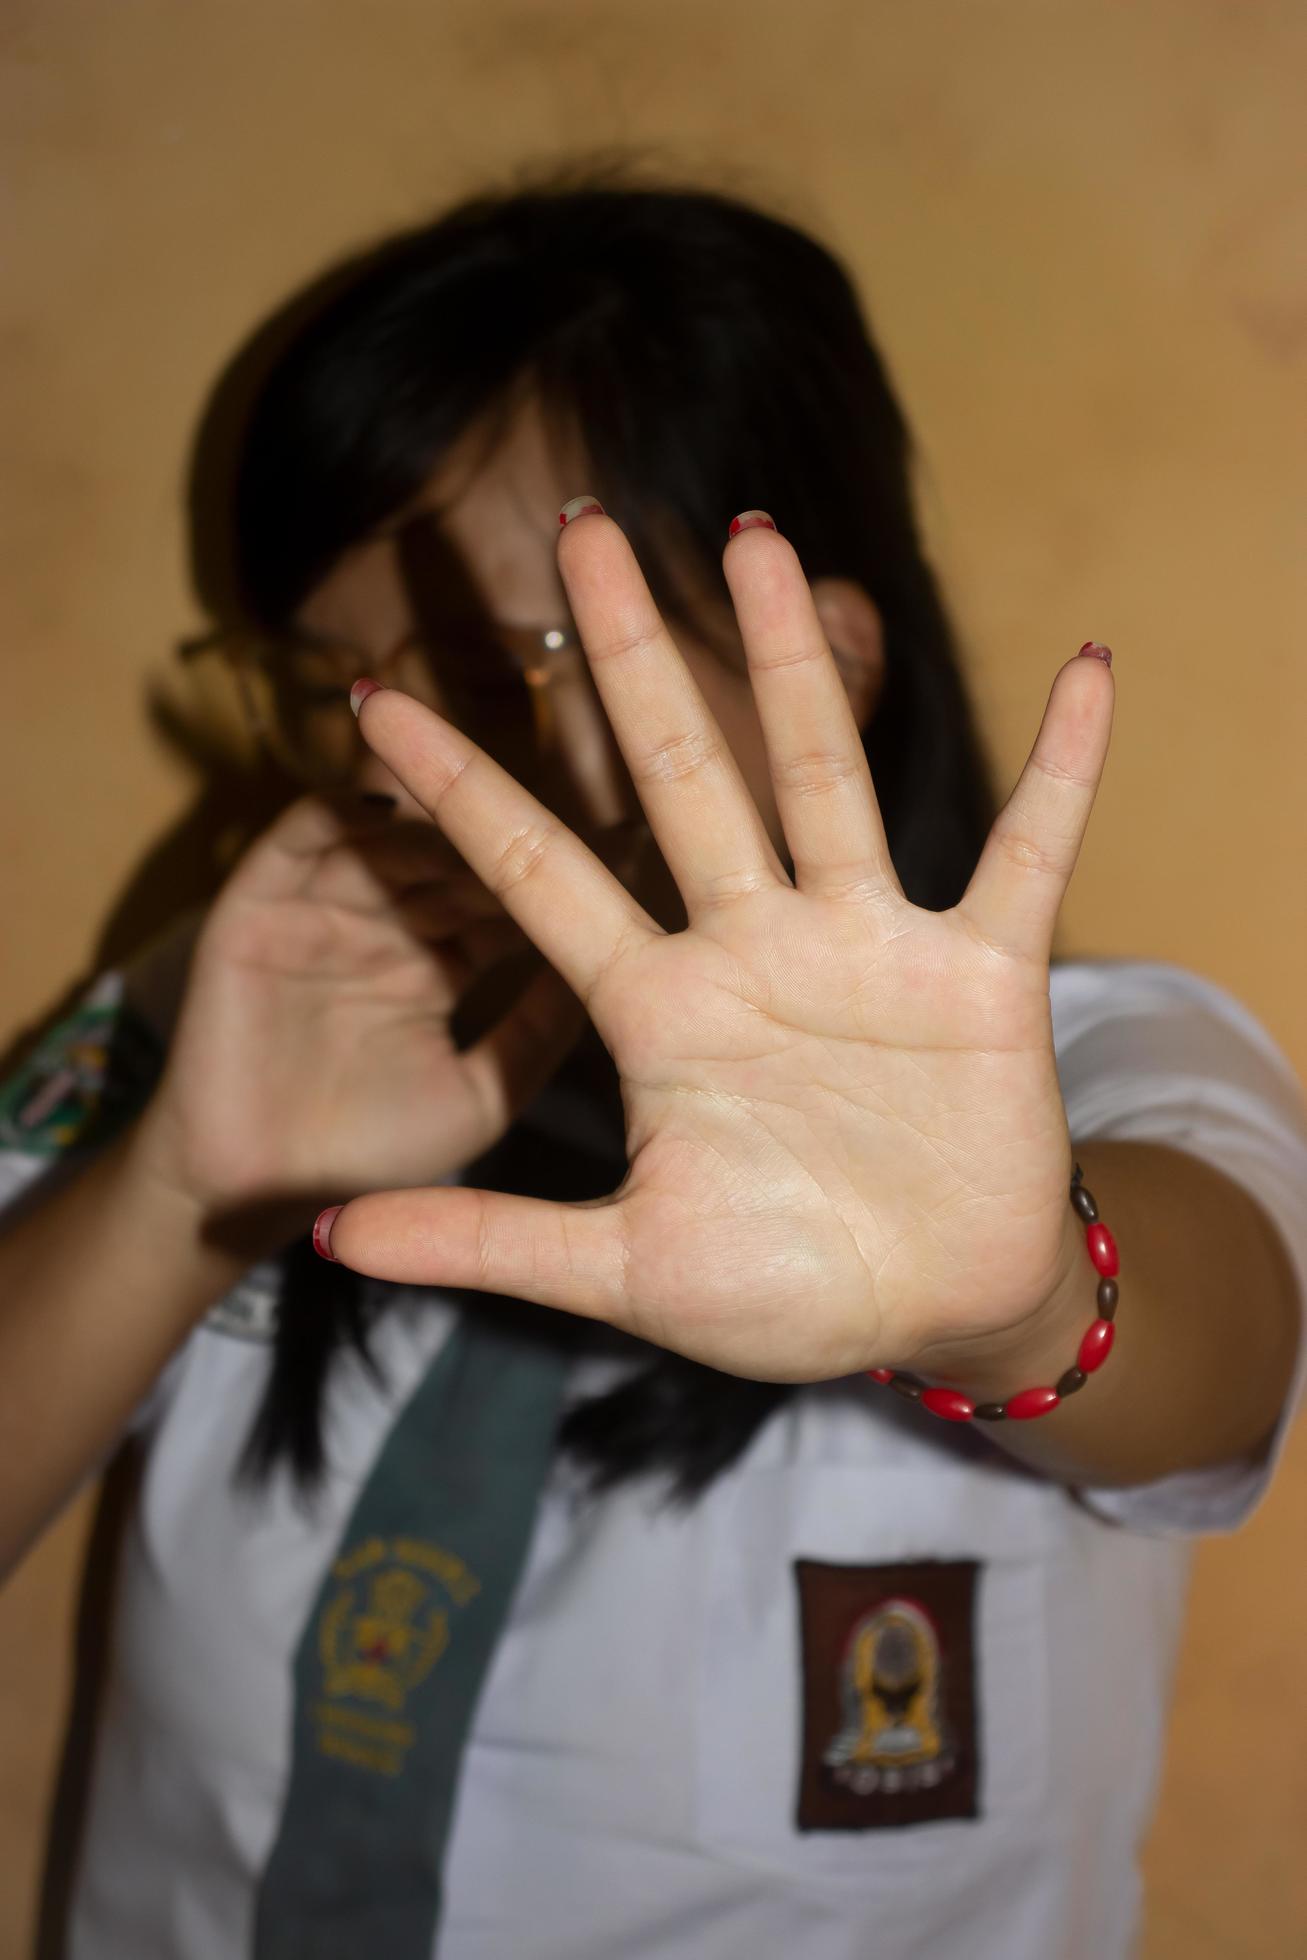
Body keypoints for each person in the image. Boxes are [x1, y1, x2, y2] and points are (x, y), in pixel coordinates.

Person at [2, 159, 1305, 1960]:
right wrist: (173, 1191)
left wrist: (1016, 1310)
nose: (392, 770)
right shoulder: (247, 1000)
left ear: (821, 657)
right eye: (331, 686)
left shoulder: (1103, 1063)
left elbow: (1224, 1361)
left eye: (499, 664)